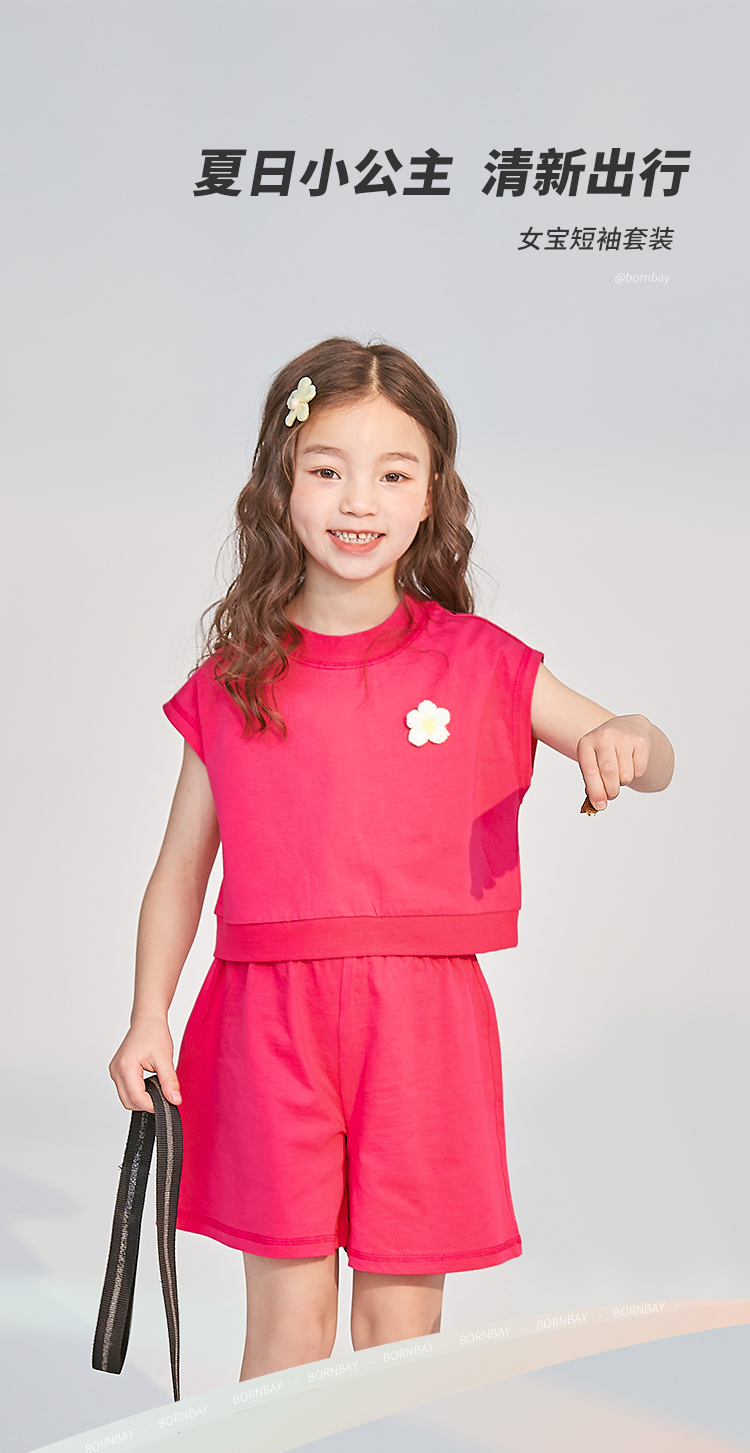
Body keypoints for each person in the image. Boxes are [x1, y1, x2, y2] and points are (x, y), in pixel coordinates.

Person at [108, 337, 674, 1383]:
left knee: (398, 1336)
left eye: (393, 474)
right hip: (264, 1021)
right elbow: (181, 868)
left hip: (424, 1023)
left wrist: (627, 737)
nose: (358, 500)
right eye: (327, 469)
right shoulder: (237, 678)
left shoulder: (479, 661)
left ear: (432, 497)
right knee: (286, 1333)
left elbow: (647, 750)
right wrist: (149, 1013)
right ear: (281, 483)